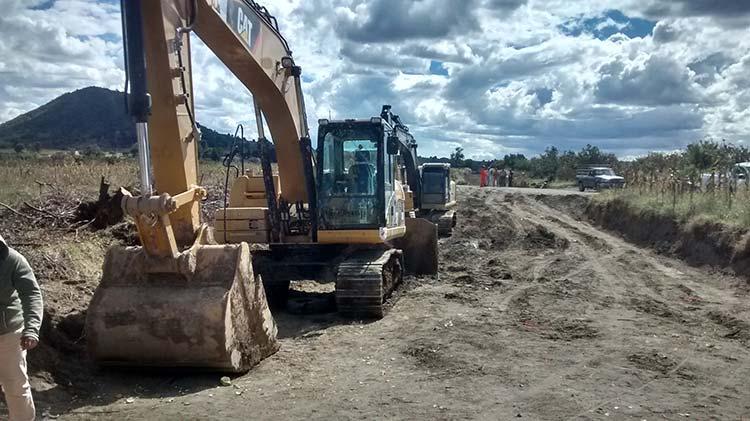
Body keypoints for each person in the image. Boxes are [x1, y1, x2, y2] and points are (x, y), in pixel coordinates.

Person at [0, 234, 42, 421]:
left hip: (8, 334)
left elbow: (31, 294)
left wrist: (32, 328)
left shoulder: (12, 259)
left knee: (15, 386)